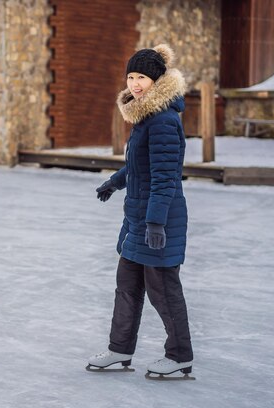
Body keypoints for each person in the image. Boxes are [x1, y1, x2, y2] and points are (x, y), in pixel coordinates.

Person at [87, 43, 193, 377]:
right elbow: (139, 165)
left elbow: (164, 179)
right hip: (138, 220)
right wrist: (114, 183)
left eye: (142, 77)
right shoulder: (146, 117)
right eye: (131, 76)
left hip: (156, 221)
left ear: (157, 80)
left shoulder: (162, 121)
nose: (134, 83)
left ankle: (179, 356)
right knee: (127, 288)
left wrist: (156, 224)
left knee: (163, 292)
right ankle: (119, 350)